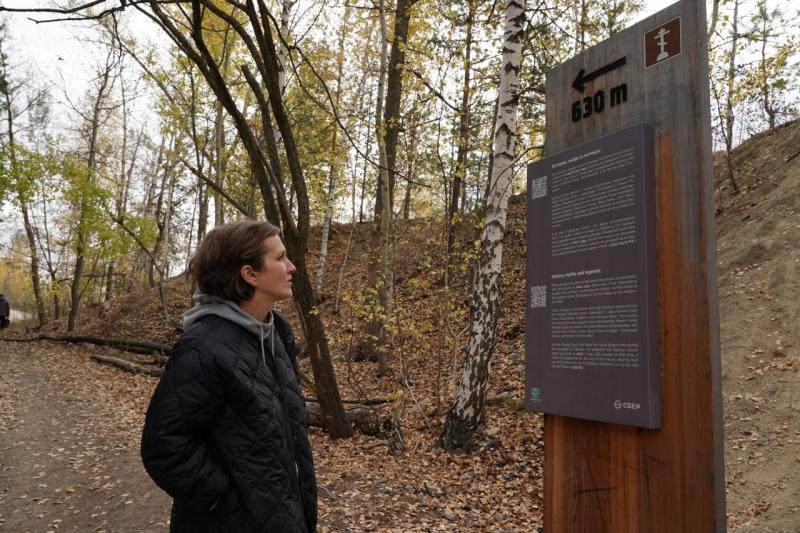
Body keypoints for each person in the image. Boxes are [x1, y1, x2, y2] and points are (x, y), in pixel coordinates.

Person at [140, 220, 316, 533]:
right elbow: (164, 445)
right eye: (280, 258)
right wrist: (226, 501)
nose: (292, 267)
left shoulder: (276, 331)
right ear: (250, 274)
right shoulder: (203, 347)